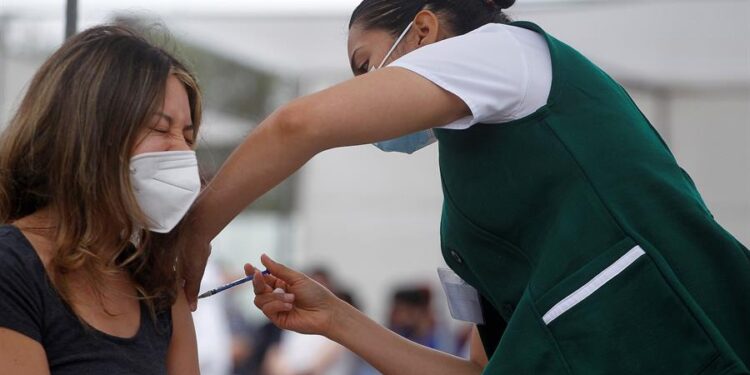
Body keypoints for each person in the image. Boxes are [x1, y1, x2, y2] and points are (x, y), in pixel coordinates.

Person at [182, 0, 750, 373]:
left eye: (365, 65)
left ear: (424, 31)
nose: (361, 90)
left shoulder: (509, 55)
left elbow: (297, 125)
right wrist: (336, 319)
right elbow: (482, 370)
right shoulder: (463, 220)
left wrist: (192, 236)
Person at [0, 25, 202, 374]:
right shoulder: (11, 267)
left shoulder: (157, 287)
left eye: (187, 136)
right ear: (91, 134)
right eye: (159, 128)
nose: (182, 152)